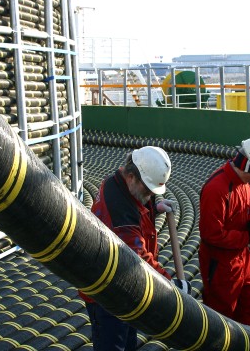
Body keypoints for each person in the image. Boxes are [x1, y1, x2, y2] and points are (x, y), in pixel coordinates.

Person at [79, 146, 190, 351]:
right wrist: (171, 286)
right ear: (131, 176)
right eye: (148, 190)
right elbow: (139, 259)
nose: (149, 196)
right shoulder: (121, 214)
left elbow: (137, 208)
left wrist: (154, 209)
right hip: (108, 292)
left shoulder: (119, 183)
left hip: (124, 285)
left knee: (129, 341)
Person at [198, 138, 250, 327]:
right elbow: (212, 234)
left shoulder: (244, 183)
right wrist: (248, 237)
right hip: (220, 265)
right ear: (247, 166)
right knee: (222, 318)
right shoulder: (217, 189)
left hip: (242, 258)